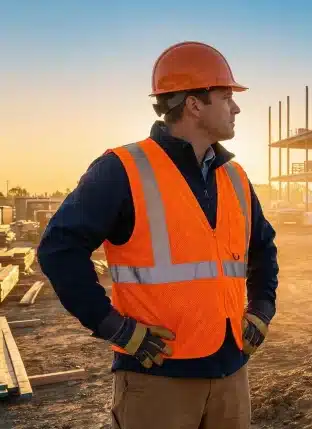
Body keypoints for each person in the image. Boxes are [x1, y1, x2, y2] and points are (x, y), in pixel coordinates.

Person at [37, 41, 279, 429]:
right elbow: (58, 249)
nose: (236, 107)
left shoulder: (235, 177)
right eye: (226, 96)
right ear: (194, 104)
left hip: (231, 376)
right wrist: (112, 325)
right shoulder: (121, 169)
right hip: (157, 381)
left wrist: (263, 309)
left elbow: (263, 249)